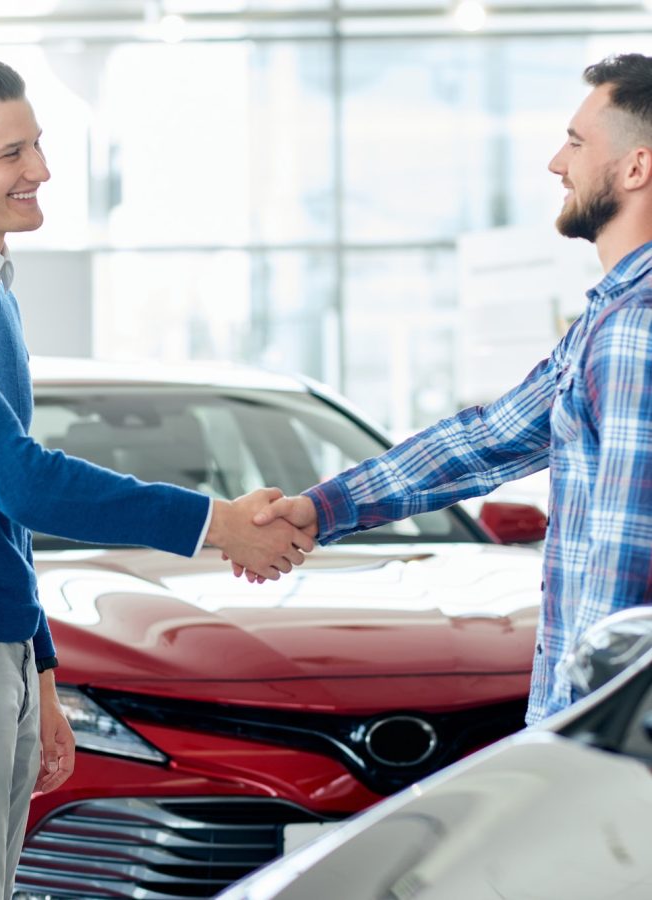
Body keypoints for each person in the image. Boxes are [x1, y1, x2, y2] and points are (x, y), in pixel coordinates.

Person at [0, 54, 314, 900]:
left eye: (39, 145)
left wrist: (40, 671)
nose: (42, 171)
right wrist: (217, 523)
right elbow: (21, 480)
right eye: (12, 153)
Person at [249, 53, 652, 727]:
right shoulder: (608, 320)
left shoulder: (636, 325)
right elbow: (487, 439)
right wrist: (322, 509)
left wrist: (590, 737)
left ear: (636, 168)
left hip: (612, 737)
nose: (558, 163)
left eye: (577, 143)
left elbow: (626, 565)